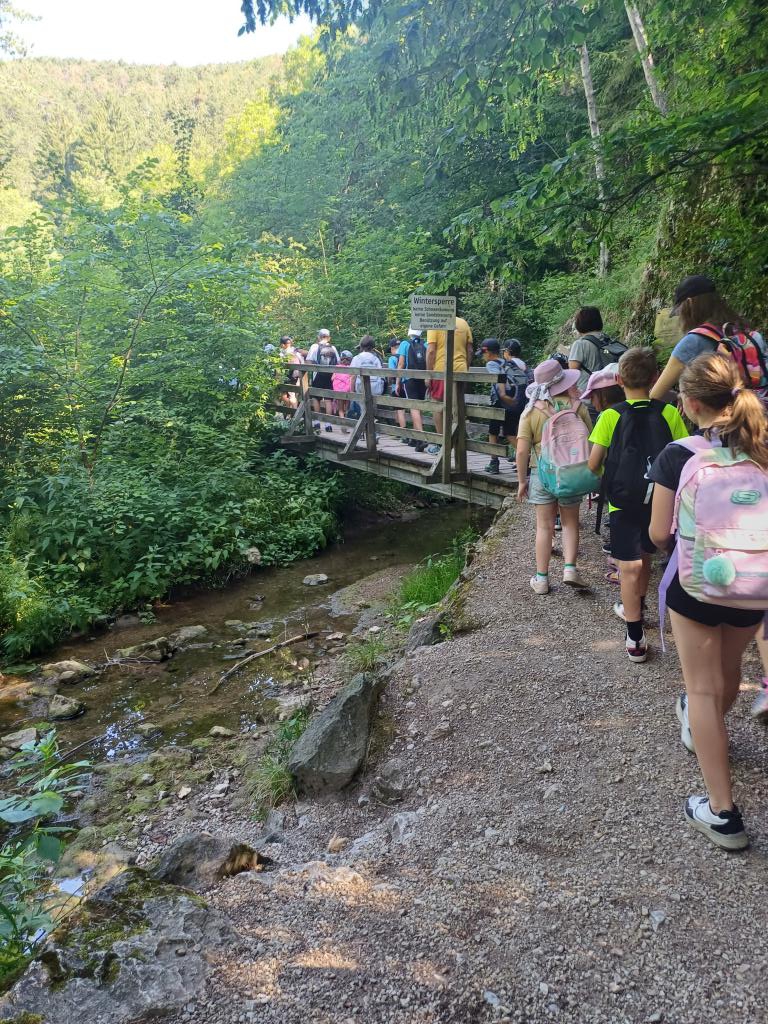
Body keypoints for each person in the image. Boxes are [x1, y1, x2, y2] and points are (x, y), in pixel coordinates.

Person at [648, 352, 768, 850]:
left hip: (697, 586)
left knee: (699, 690)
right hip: (756, 586)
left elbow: (658, 534)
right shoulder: (761, 447)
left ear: (690, 403)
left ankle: (724, 813)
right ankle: (710, 733)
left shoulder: (678, 455)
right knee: (729, 672)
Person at [588, 348, 688, 663]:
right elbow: (683, 456)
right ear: (656, 378)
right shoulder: (669, 413)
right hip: (659, 501)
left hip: (622, 503)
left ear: (619, 380)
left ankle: (634, 635)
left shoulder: (610, 416)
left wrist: (611, 477)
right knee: (644, 557)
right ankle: (639, 606)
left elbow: (593, 463)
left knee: (629, 566)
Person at [516, 358, 592, 594]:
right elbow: (591, 440)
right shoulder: (578, 407)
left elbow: (521, 450)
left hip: (542, 474)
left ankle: (541, 579)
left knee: (544, 526)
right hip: (572, 472)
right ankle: (570, 569)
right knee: (570, 523)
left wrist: (522, 481)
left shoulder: (531, 412)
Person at [650, 275, 767, 402]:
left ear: (689, 303)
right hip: (760, 407)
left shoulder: (694, 341)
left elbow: (655, 395)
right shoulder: (745, 331)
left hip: (726, 412)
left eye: (679, 311)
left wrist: (683, 396)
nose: (680, 317)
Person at [426, 310, 473, 453]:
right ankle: (458, 442)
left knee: (437, 406)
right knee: (457, 406)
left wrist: (429, 374)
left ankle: (443, 444)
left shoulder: (435, 323)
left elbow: (431, 351)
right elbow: (470, 350)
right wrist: (466, 368)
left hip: (441, 370)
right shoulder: (463, 323)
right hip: (461, 370)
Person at [479, 339, 524, 476]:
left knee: (493, 432)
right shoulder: (506, 362)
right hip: (512, 401)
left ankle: (494, 462)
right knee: (510, 433)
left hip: (499, 401)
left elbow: (499, 377)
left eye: (483, 353)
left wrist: (503, 394)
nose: (482, 356)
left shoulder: (491, 363)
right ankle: (526, 458)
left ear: (487, 352)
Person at [568, 307, 614, 397]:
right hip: (611, 390)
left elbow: (572, 372)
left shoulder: (580, 344)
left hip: (589, 394)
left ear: (580, 324)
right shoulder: (607, 340)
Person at [396, 329, 427, 452]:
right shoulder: (425, 344)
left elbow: (401, 364)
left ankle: (421, 438)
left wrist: (398, 381)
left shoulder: (405, 344)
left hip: (410, 379)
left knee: (414, 407)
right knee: (419, 407)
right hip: (423, 379)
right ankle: (415, 438)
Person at [306, 329, 339, 422]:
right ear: (329, 338)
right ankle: (328, 423)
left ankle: (317, 421)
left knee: (316, 398)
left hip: (318, 375)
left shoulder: (315, 346)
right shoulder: (333, 348)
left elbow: (308, 361)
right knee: (328, 399)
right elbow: (338, 362)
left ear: (318, 337)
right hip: (330, 376)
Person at [350, 336, 385, 403]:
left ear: (361, 346)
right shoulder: (376, 358)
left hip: (361, 387)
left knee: (361, 404)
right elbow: (381, 374)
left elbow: (353, 376)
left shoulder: (356, 358)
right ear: (372, 347)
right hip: (375, 389)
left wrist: (352, 391)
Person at [332, 351, 354, 428]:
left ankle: (343, 424)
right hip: (347, 390)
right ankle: (347, 420)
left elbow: (332, 378)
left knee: (340, 409)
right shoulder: (351, 368)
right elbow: (352, 379)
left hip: (338, 391)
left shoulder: (337, 367)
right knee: (346, 408)